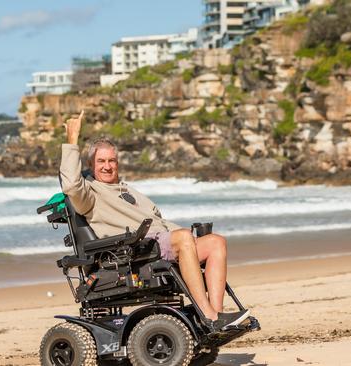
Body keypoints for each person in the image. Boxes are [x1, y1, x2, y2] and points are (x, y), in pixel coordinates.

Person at [59, 110, 249, 331]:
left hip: (158, 242)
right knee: (184, 238)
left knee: (216, 242)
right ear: (91, 165)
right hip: (132, 249)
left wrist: (181, 232)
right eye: (101, 161)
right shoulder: (89, 193)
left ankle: (217, 314)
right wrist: (72, 140)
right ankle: (207, 314)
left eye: (112, 160)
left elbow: (158, 221)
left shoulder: (126, 190)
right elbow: (71, 185)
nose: (108, 166)